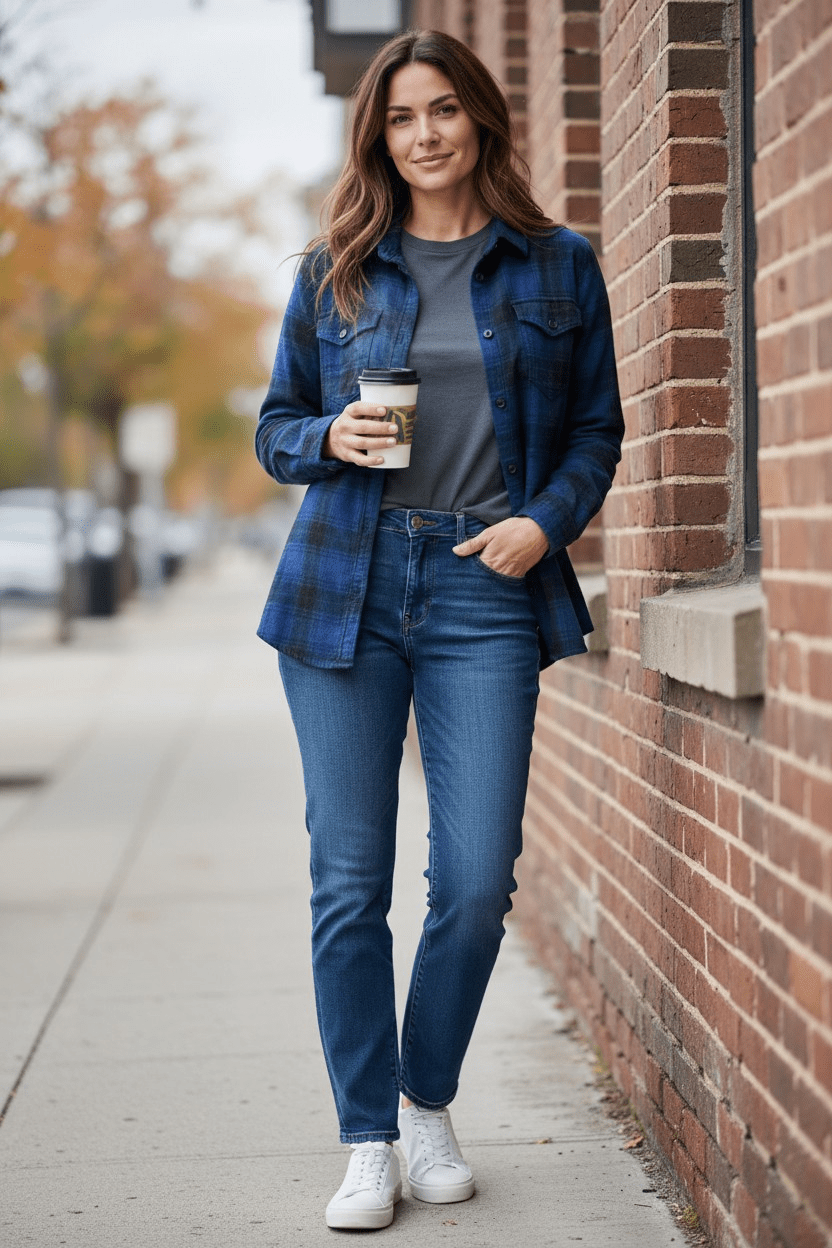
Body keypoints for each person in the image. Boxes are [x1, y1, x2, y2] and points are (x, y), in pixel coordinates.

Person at [255, 28, 624, 1232]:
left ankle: (425, 1100)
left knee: (472, 882)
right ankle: (367, 1138)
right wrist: (327, 442)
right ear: (380, 135)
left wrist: (544, 525)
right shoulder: (334, 272)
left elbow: (595, 431)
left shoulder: (556, 265)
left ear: (480, 120)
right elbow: (275, 429)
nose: (424, 133)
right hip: (346, 589)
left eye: (444, 110)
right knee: (347, 882)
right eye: (401, 116)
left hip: (482, 584)